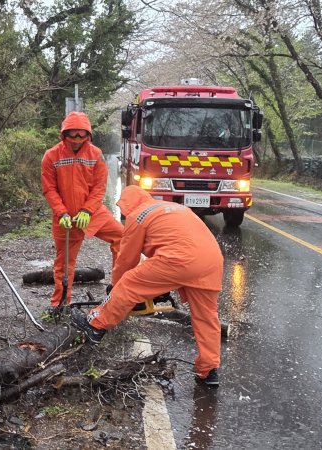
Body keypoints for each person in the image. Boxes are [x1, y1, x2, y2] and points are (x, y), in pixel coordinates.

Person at [71, 185, 224, 386]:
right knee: (206, 317)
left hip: (179, 260)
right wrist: (161, 288)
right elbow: (179, 242)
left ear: (128, 204)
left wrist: (115, 287)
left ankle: (96, 326)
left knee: (128, 282)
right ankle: (209, 370)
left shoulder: (139, 216)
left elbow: (127, 260)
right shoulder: (171, 207)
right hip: (212, 261)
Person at [41, 111, 123, 310]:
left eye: (82, 135)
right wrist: (62, 212)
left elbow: (99, 187)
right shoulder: (52, 156)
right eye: (73, 135)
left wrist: (87, 210)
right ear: (64, 134)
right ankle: (59, 304)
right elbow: (49, 189)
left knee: (123, 238)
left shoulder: (95, 154)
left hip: (93, 213)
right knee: (64, 264)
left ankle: (120, 291)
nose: (77, 140)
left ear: (88, 135)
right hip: (65, 218)